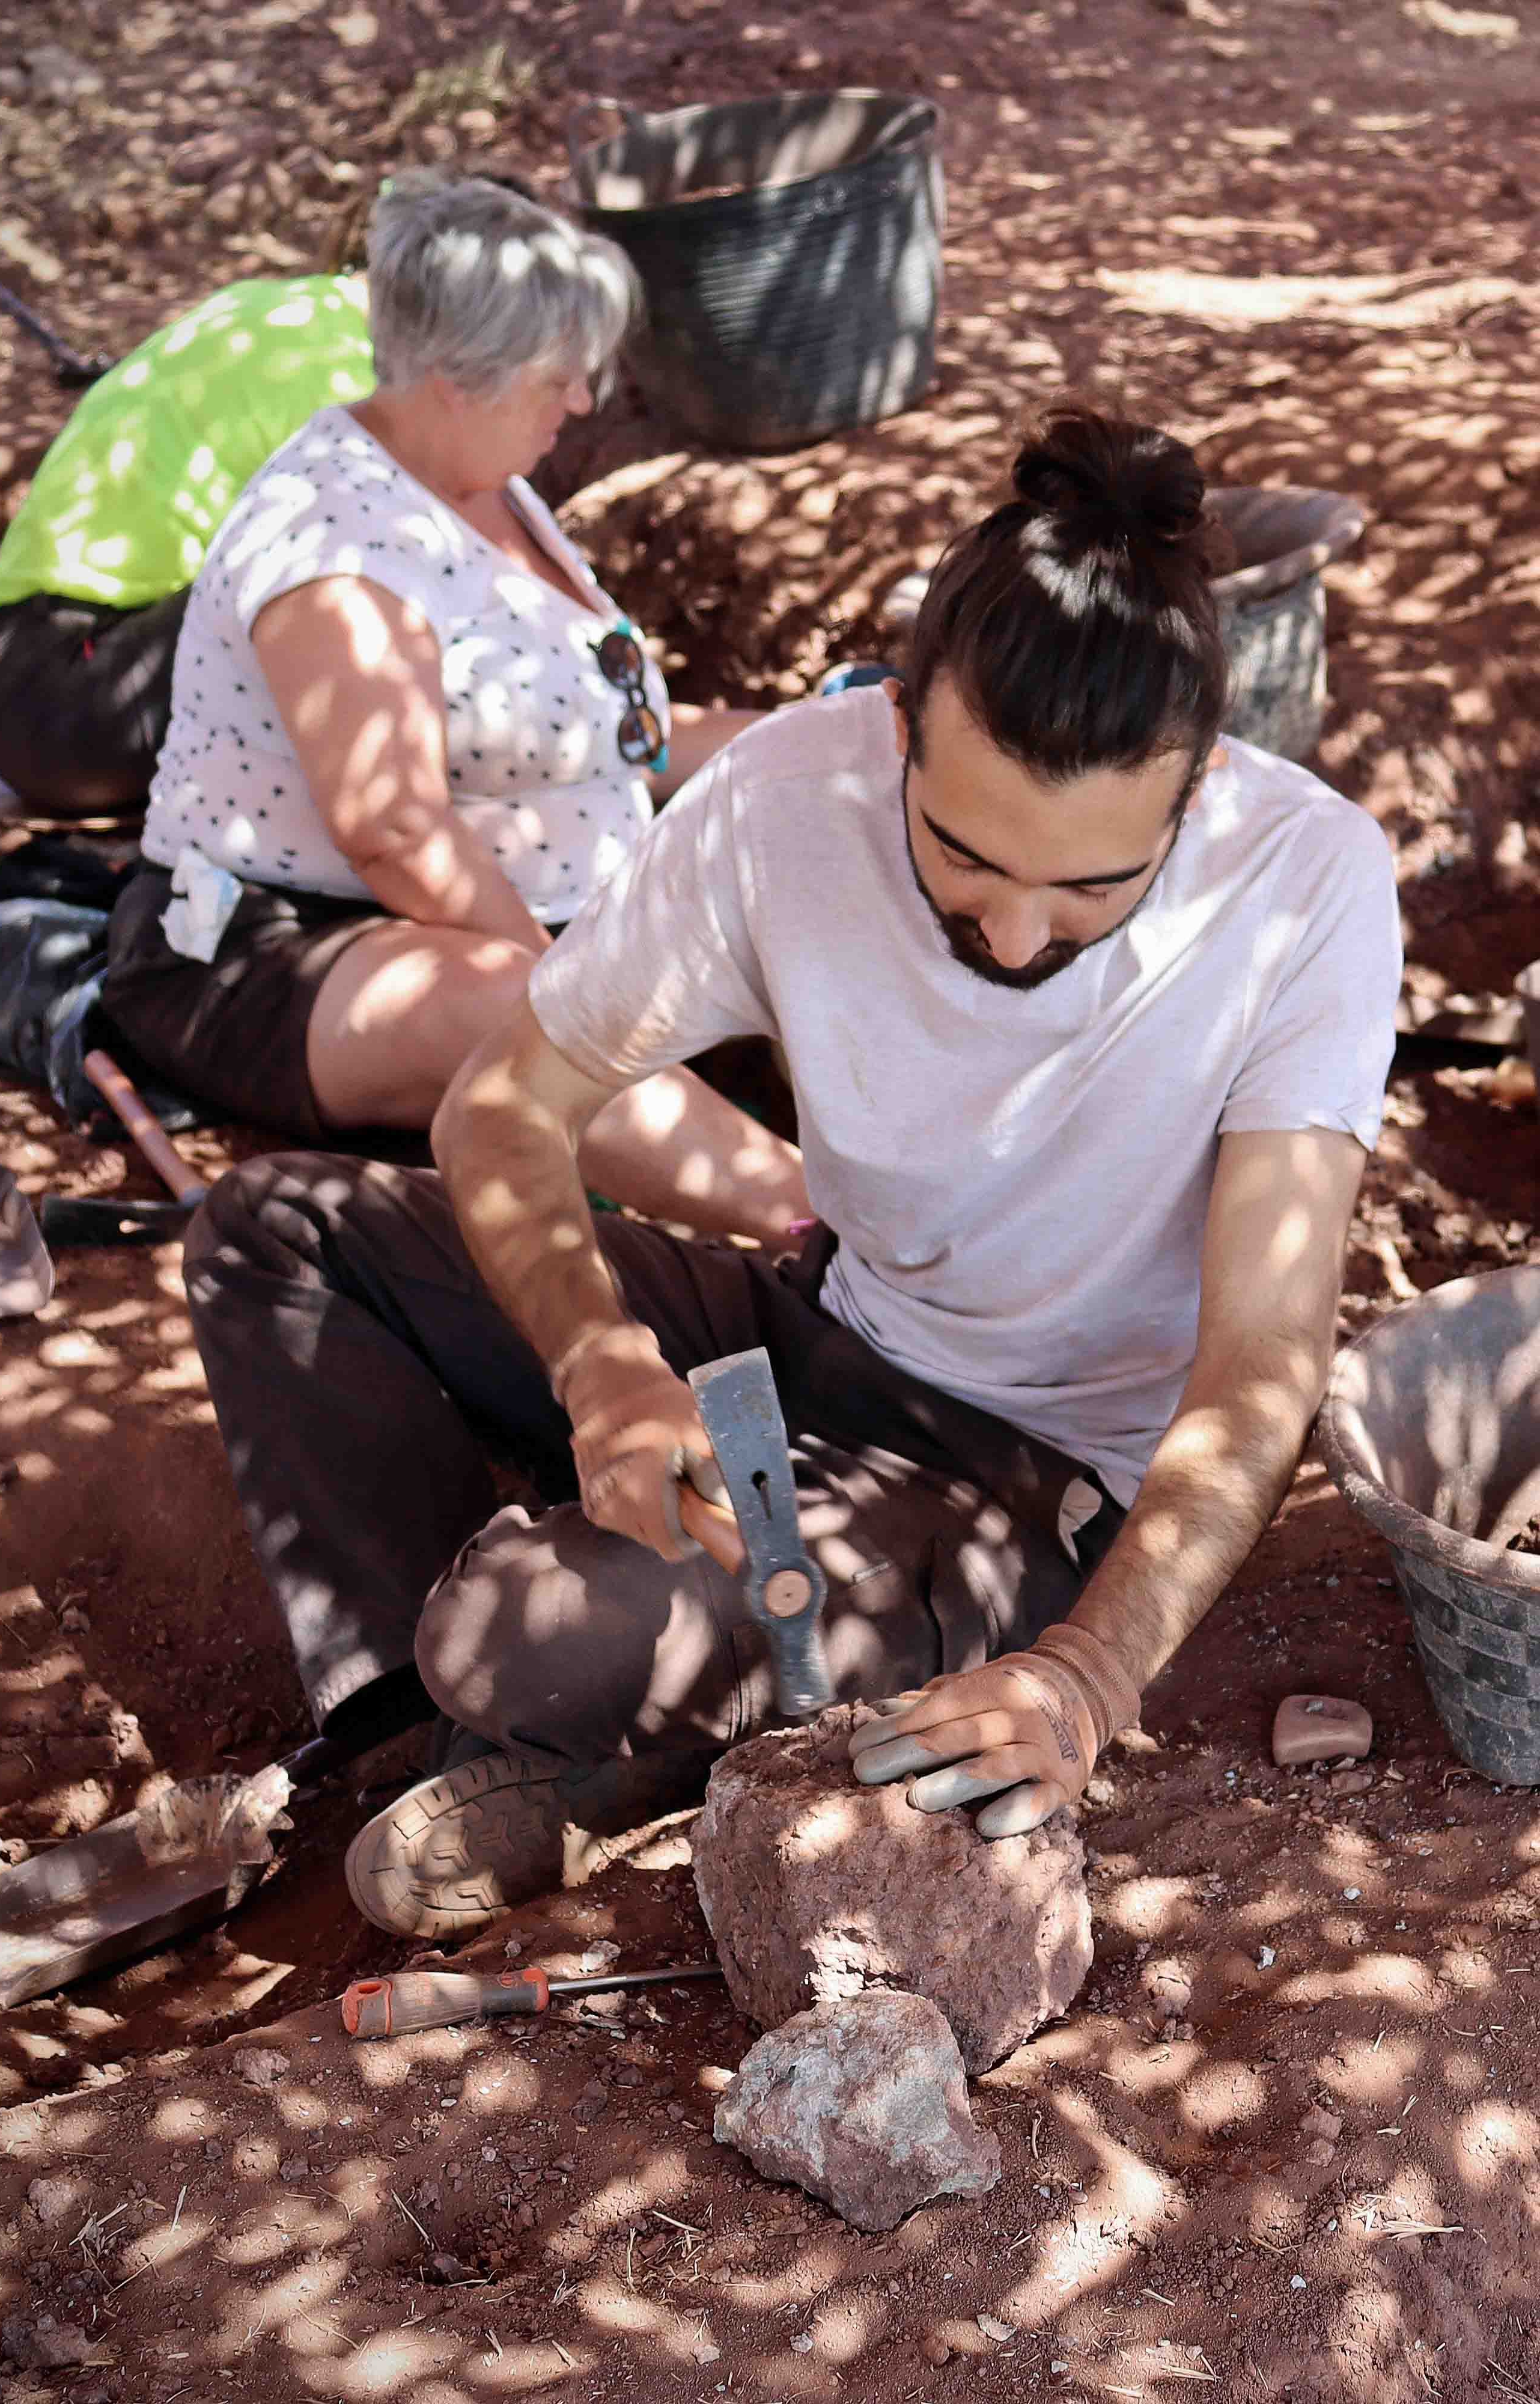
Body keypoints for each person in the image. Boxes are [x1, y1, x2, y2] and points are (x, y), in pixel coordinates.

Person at [175, 403, 1401, 1939]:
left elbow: (1263, 1360)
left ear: (1201, 781)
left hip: (1020, 1480)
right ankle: (414, 1745)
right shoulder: (786, 792)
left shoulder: (1310, 882)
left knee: (524, 1623)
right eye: (964, 857)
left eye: (1094, 885)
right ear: (896, 720)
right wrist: (602, 1362)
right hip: (821, 1333)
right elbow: (506, 1105)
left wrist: (1086, 1671)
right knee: (274, 1230)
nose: (1015, 933)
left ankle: (551, 1702)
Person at [97, 169, 797, 1236]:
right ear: (458, 381)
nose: (580, 402)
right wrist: (583, 987)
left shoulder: (477, 480)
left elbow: (615, 742)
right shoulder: (331, 544)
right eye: (560, 376)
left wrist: (809, 745)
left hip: (521, 914)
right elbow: (393, 831)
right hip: (286, 944)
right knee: (520, 1015)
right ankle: (834, 1240)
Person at [0, 269, 376, 814]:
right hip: (80, 703)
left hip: (15, 682)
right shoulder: (349, 372)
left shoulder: (267, 306)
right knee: (346, 563)